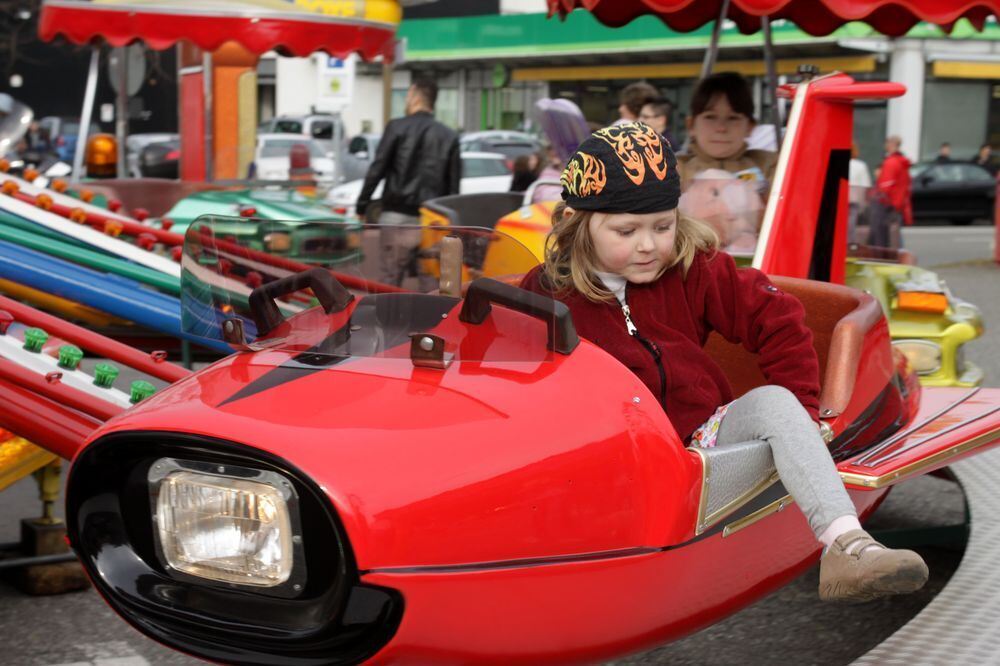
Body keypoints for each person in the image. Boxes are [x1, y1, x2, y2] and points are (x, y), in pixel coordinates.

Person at [519, 122, 929, 603]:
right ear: (576, 223)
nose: (649, 245)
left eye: (662, 225)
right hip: (608, 454)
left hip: (698, 444)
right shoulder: (544, 292)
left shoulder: (694, 265)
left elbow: (777, 317)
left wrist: (802, 414)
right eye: (626, 230)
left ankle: (847, 545)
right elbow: (501, 364)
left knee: (778, 404)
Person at [357, 76, 461, 286]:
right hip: (432, 220)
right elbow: (453, 187)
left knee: (389, 280)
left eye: (407, 95)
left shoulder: (396, 127)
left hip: (397, 215)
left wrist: (362, 205)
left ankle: (389, 319)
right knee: (431, 281)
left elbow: (377, 168)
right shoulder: (448, 136)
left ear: (414, 95)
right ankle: (433, 320)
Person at [677, 72, 776, 194]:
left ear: (750, 127)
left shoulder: (772, 168)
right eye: (710, 117)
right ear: (691, 125)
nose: (721, 128)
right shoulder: (670, 173)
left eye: (733, 118)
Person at [869, 135, 912, 249]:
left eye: (886, 143)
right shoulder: (902, 162)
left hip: (887, 202)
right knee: (895, 230)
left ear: (891, 144)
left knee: (881, 232)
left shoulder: (891, 162)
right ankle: (900, 251)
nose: (885, 146)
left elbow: (885, 185)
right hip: (898, 201)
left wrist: (876, 196)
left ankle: (883, 255)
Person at [848, 142, 873, 244]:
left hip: (842, 197)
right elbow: (865, 185)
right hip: (855, 196)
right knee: (852, 222)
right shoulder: (861, 165)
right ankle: (850, 243)